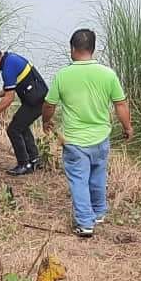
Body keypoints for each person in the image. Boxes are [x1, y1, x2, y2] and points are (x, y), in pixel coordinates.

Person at [40, 28, 130, 238]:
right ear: (93, 49)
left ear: (72, 49)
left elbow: (49, 104)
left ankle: (84, 222)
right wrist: (127, 127)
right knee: (98, 176)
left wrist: (46, 121)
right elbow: (121, 104)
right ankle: (98, 212)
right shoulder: (108, 74)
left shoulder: (63, 75)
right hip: (101, 138)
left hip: (75, 141)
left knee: (79, 180)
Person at [0, 43, 50, 175]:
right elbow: (9, 88)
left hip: (37, 102)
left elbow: (9, 98)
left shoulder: (8, 68)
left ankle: (24, 164)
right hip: (37, 98)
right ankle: (34, 159)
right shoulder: (10, 60)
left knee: (13, 130)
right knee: (22, 126)